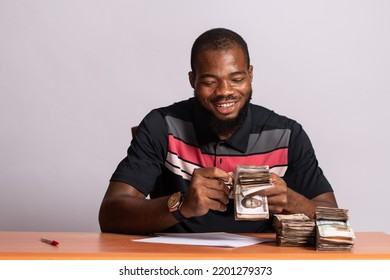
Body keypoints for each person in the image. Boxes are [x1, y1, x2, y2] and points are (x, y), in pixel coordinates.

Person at [99, 28, 338, 234]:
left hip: (260, 266)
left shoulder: (287, 134)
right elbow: (110, 214)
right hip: (176, 263)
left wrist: (293, 202)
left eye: (236, 79)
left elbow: (335, 221)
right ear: (193, 80)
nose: (225, 91)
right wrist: (183, 204)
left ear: (250, 75)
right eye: (210, 82)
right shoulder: (162, 126)